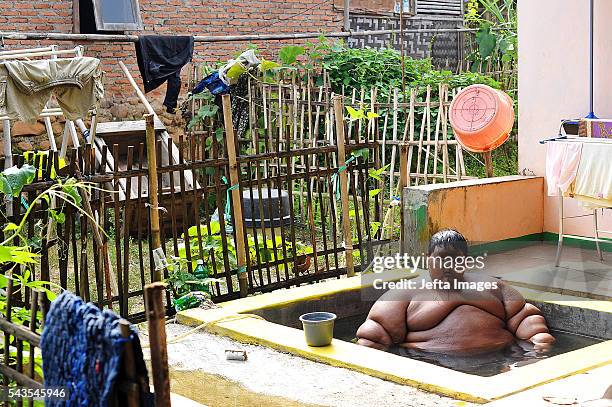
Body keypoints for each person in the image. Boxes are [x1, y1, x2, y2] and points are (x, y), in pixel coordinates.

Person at [356, 229, 555, 354]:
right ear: (428, 259)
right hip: (429, 365)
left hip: (500, 360)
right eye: (441, 258)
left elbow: (524, 317)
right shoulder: (404, 294)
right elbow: (374, 335)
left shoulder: (492, 287)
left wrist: (539, 342)